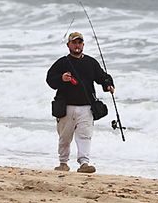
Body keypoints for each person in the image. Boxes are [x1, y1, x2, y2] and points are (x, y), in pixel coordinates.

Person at [46, 30, 114, 173]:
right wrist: (61, 78)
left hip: (86, 107)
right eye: (74, 42)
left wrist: (108, 85)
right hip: (65, 107)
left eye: (79, 42)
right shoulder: (62, 62)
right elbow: (50, 79)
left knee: (85, 136)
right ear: (68, 45)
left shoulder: (91, 62)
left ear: (83, 45)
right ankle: (63, 163)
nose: (77, 45)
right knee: (65, 138)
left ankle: (84, 164)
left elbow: (102, 77)